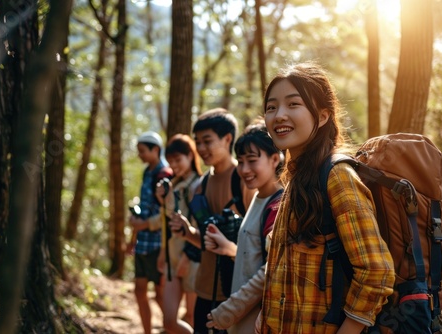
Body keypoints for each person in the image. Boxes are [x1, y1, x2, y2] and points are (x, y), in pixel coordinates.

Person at [256, 62, 395, 334]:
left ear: (322, 116)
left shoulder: (336, 176)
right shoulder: (297, 179)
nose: (279, 115)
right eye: (271, 107)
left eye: (293, 104)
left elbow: (377, 272)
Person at [169, 108, 257, 334]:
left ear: (227, 139)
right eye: (197, 142)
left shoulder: (244, 179)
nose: (201, 148)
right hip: (205, 288)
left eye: (207, 141)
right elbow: (207, 243)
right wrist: (187, 232)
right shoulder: (201, 185)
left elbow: (257, 246)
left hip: (236, 292)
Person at [203, 120, 284, 333]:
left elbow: (271, 269)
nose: (244, 169)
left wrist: (230, 310)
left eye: (252, 160)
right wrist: (228, 249)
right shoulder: (259, 197)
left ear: (275, 159)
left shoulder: (277, 206)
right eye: (240, 161)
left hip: (257, 322)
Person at [154, 134, 203, 334]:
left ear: (190, 156)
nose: (174, 165)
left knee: (192, 316)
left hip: (193, 259)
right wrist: (163, 252)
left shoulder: (200, 185)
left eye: (178, 160)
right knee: (169, 320)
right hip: (172, 257)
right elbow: (167, 221)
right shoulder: (172, 185)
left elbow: (200, 224)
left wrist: (188, 255)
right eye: (171, 161)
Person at [126, 131, 173, 334]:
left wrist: (144, 225)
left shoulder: (164, 174)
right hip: (142, 244)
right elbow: (144, 208)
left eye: (143, 151)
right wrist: (133, 238)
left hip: (158, 245)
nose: (140, 156)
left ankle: (172, 329)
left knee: (160, 294)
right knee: (139, 291)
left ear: (156, 150)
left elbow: (168, 213)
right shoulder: (147, 172)